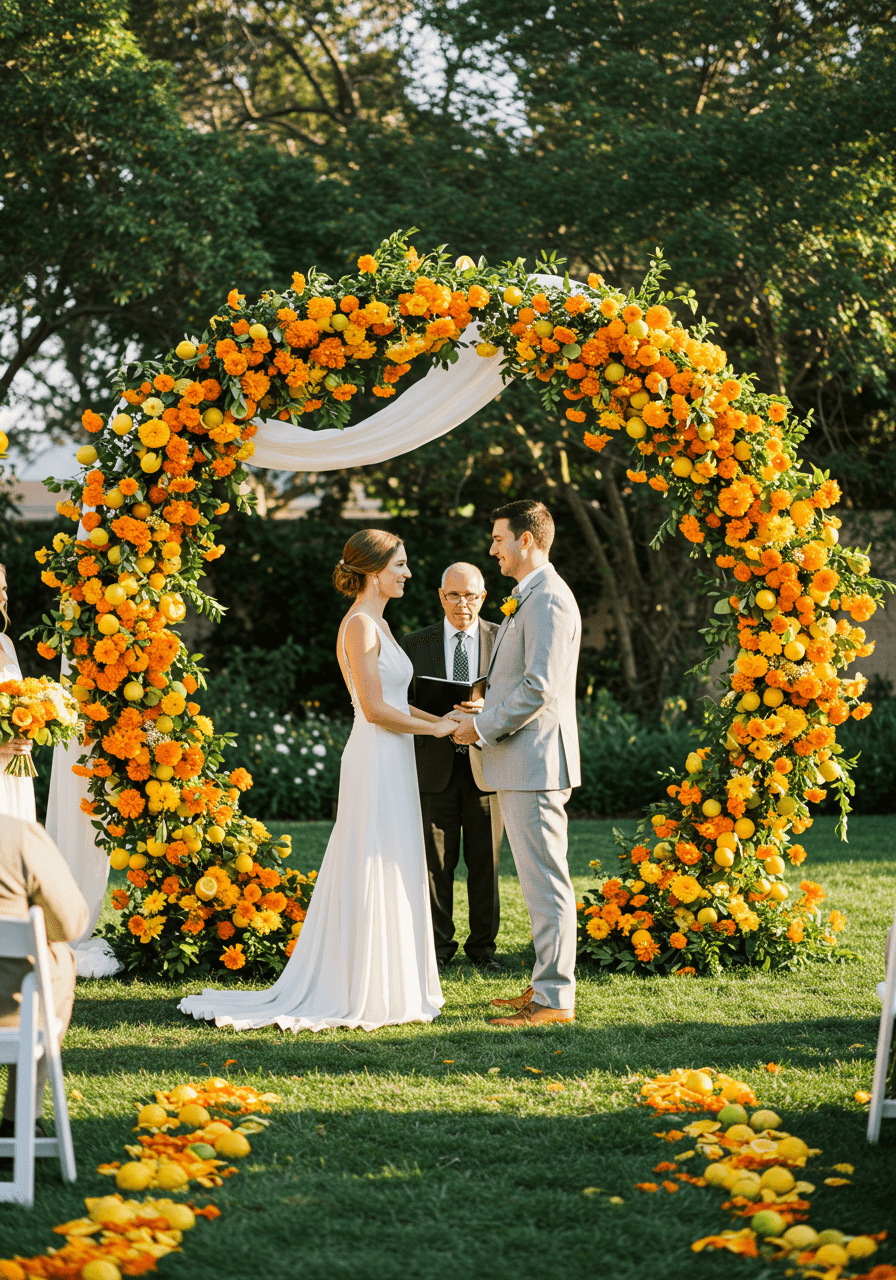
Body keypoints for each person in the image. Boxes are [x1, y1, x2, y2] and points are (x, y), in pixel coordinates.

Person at [178, 530, 457, 1032]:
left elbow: (394, 699)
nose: (408, 574)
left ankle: (394, 980)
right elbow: (373, 710)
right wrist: (434, 728)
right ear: (374, 571)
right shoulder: (360, 627)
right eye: (401, 565)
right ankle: (360, 987)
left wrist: (445, 717)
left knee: (395, 857)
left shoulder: (382, 625)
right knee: (370, 857)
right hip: (374, 757)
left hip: (395, 756)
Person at [451, 500, 581, 1028]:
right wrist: (484, 706)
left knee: (547, 883)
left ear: (526, 540)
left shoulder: (549, 599)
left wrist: (481, 727)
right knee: (535, 883)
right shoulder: (526, 598)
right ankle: (543, 985)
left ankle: (554, 1001)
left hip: (535, 764)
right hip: (520, 762)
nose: (492, 548)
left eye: (499, 538)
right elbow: (518, 682)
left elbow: (540, 688)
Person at [401, 563, 503, 970]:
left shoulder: (504, 638)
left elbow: (520, 694)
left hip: (488, 766)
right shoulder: (414, 643)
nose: (464, 604)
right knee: (434, 867)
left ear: (484, 595)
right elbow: (400, 698)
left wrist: (488, 710)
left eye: (472, 595)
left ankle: (483, 951)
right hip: (433, 768)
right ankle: (439, 951)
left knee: (486, 866)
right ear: (441, 595)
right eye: (455, 595)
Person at [0, 815, 89, 1151]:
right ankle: (18, 1119)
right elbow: (69, 924)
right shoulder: (15, 836)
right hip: (10, 1013)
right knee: (58, 959)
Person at [0, 563, 37, 822]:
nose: (4, 598)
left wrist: (30, 731)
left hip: (13, 773)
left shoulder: (6, 643)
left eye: (4, 589)